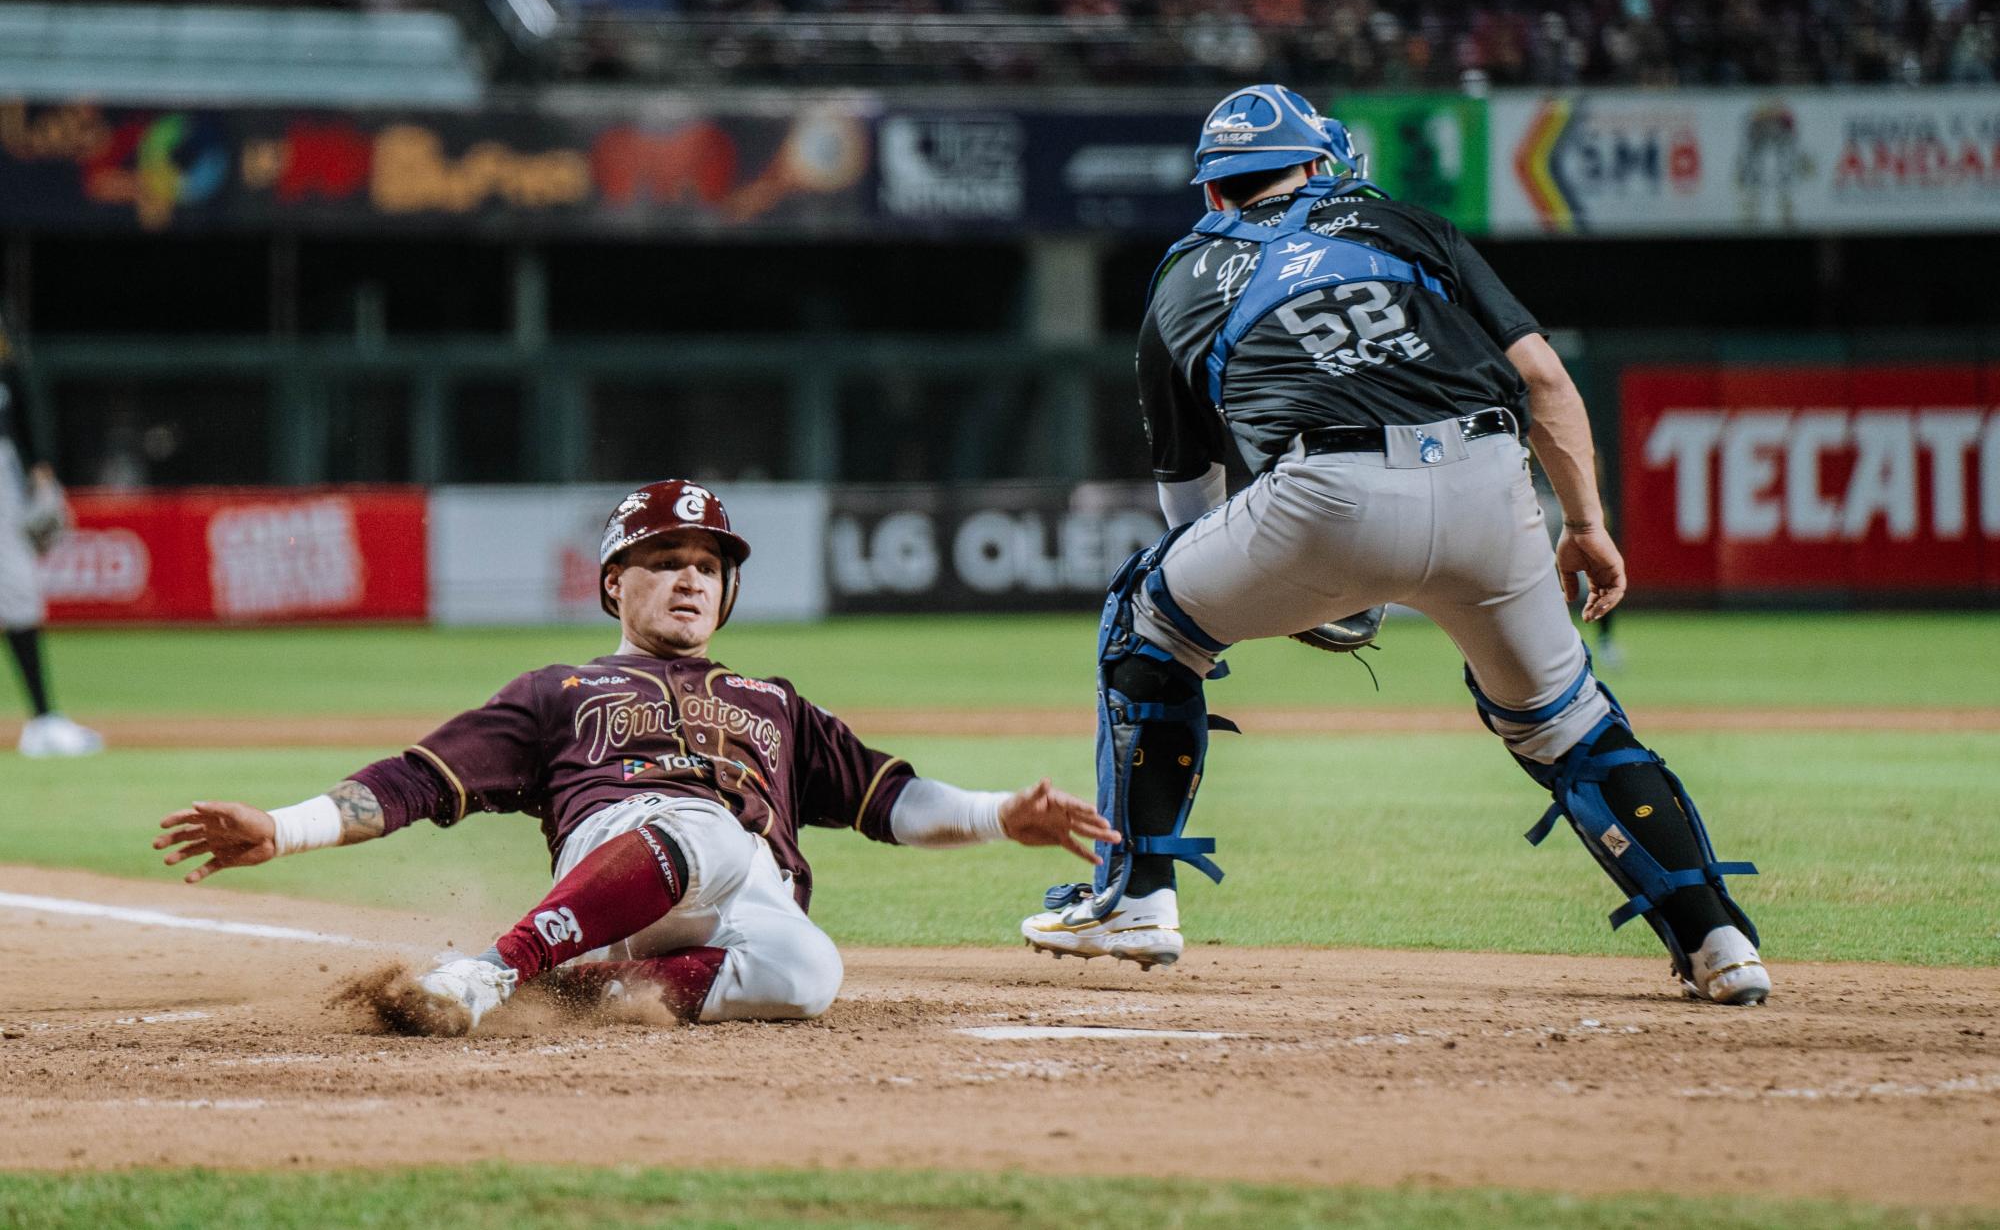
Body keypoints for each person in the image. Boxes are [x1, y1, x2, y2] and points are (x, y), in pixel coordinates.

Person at [1020, 85, 1770, 1006]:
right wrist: (1584, 524)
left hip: (1325, 495)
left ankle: (1135, 896)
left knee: (1145, 619)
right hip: (1490, 477)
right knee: (1566, 722)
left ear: (1214, 192)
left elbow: (1189, 495)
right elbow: (1542, 379)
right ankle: (1718, 939)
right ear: (1321, 163)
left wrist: (1275, 592)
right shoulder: (1401, 222)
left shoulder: (1179, 278)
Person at [154, 479, 1116, 1034]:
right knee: (713, 830)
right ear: (615, 581)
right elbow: (418, 779)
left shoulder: (775, 702)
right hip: (623, 850)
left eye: (708, 566)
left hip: (731, 903)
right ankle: (491, 970)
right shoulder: (559, 690)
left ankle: (559, 988)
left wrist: (1000, 814)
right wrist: (283, 827)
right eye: (666, 561)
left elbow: (889, 798)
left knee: (808, 969)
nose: (691, 579)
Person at [0, 330, 101, 758]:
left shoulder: (8, 372)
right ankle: (43, 721)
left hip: (7, 480)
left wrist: (40, 474)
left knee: (20, 594)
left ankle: (43, 721)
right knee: (19, 594)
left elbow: (23, 429)